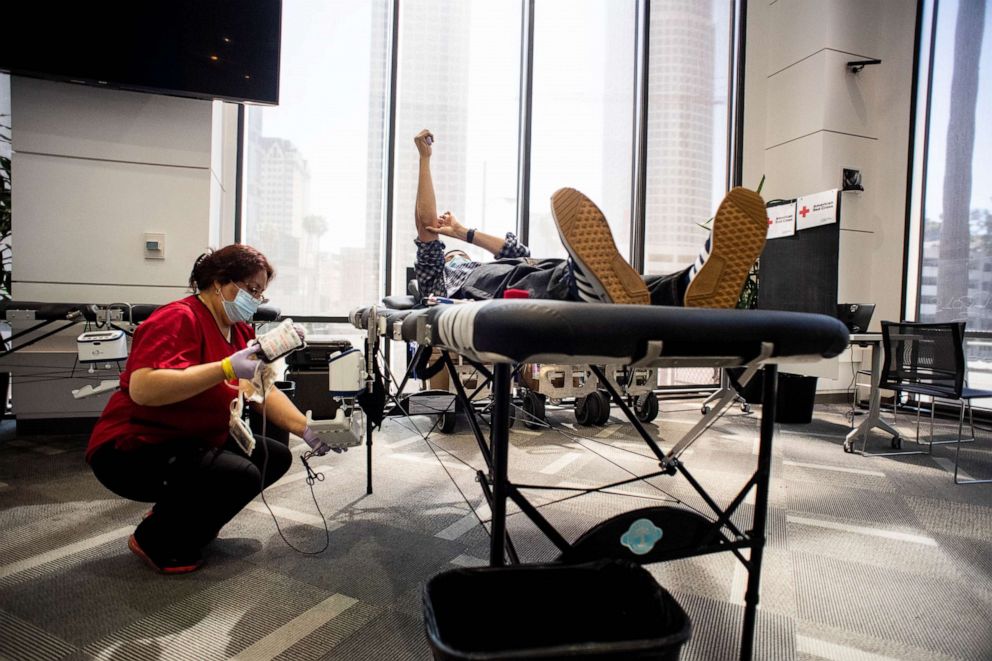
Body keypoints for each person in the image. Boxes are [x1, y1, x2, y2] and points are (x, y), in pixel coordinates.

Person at [86, 244, 338, 574]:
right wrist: (224, 369)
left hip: (191, 439)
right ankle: (156, 540)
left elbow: (261, 389)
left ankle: (177, 519)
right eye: (251, 289)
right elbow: (143, 388)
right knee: (239, 474)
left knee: (273, 457)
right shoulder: (179, 317)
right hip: (134, 447)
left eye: (260, 293)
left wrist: (305, 428)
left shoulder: (240, 330)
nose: (256, 299)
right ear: (220, 281)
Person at [413, 129, 768, 309]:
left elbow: (514, 248)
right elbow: (426, 224)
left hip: (533, 272)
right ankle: (583, 280)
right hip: (509, 294)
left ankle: (685, 287)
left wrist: (464, 232)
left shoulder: (474, 256)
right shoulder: (437, 283)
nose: (454, 254)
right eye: (449, 252)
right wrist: (425, 158)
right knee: (555, 279)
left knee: (636, 290)